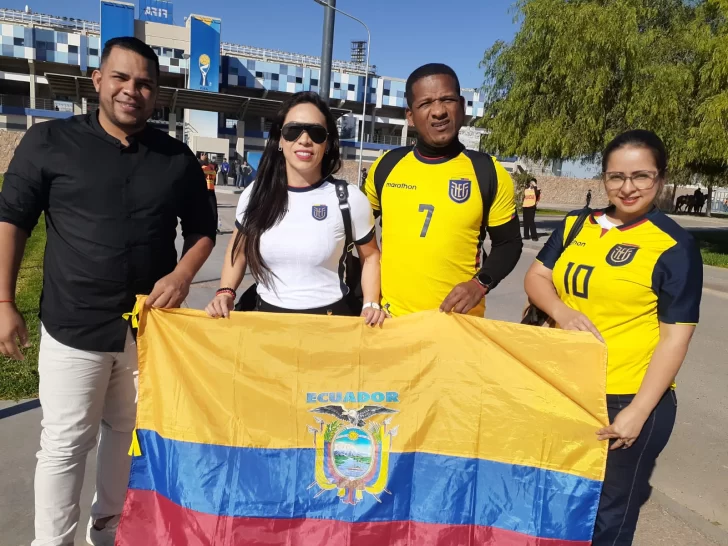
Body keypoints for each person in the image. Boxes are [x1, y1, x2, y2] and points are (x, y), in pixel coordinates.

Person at [0, 37, 216, 546]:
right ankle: (52, 541)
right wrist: (5, 302)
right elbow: (12, 220)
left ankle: (110, 529)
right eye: (121, 78)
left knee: (129, 437)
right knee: (65, 443)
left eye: (144, 83)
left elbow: (204, 229)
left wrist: (183, 274)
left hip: (150, 329)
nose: (131, 90)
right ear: (98, 81)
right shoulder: (49, 143)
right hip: (74, 324)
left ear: (156, 94)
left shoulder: (177, 158)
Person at [524, 130, 702, 546]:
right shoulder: (573, 225)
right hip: (565, 389)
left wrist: (638, 412)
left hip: (626, 396)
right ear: (603, 178)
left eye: (641, 176)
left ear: (660, 177)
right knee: (555, 502)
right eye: (616, 176)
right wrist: (563, 313)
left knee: (608, 518)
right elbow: (537, 278)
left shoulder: (674, 244)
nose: (628, 188)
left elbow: (675, 339)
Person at [205, 91, 385, 325]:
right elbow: (238, 251)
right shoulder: (255, 195)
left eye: (316, 132)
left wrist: (371, 303)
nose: (304, 139)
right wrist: (225, 292)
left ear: (328, 143)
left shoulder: (349, 198)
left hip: (331, 327)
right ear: (280, 139)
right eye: (293, 131)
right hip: (267, 324)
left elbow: (371, 256)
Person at [364, 63, 522, 318]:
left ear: (461, 106)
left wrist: (480, 283)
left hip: (458, 326)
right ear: (410, 116)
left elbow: (509, 243)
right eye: (425, 103)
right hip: (391, 322)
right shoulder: (386, 166)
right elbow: (357, 237)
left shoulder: (488, 171)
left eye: (447, 99)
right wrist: (366, 300)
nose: (438, 111)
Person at [199, 153, 220, 234]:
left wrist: (202, 160)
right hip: (207, 190)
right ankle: (211, 228)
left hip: (208, 190)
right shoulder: (209, 170)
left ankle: (210, 228)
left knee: (209, 210)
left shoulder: (207, 168)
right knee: (210, 210)